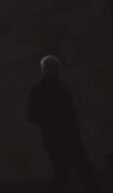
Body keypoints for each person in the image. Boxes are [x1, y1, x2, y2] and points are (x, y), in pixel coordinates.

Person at [26, 55, 100, 192]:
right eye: (53, 68)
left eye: (56, 68)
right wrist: (53, 119)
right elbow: (32, 115)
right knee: (66, 174)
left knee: (82, 173)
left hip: (69, 138)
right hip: (57, 140)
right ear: (46, 70)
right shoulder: (40, 91)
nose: (56, 71)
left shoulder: (61, 88)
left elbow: (70, 112)